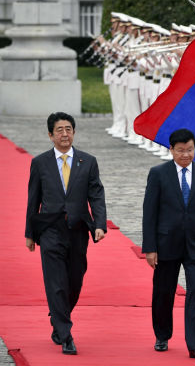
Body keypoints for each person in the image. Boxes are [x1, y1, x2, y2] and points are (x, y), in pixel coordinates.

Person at [25, 112, 107, 355]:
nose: (64, 134)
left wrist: (99, 223)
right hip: (50, 229)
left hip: (78, 229)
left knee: (75, 280)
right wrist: (30, 233)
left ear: (74, 132)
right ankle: (65, 333)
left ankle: (58, 315)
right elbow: (33, 200)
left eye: (68, 129)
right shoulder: (40, 163)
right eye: (59, 130)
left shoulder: (87, 161)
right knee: (56, 283)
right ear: (50, 135)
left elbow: (96, 194)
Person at [142, 128, 195, 360]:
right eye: (181, 150)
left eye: (190, 150)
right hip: (166, 243)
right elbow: (149, 213)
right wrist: (150, 247)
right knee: (164, 291)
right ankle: (162, 335)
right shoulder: (158, 174)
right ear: (171, 150)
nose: (186, 155)